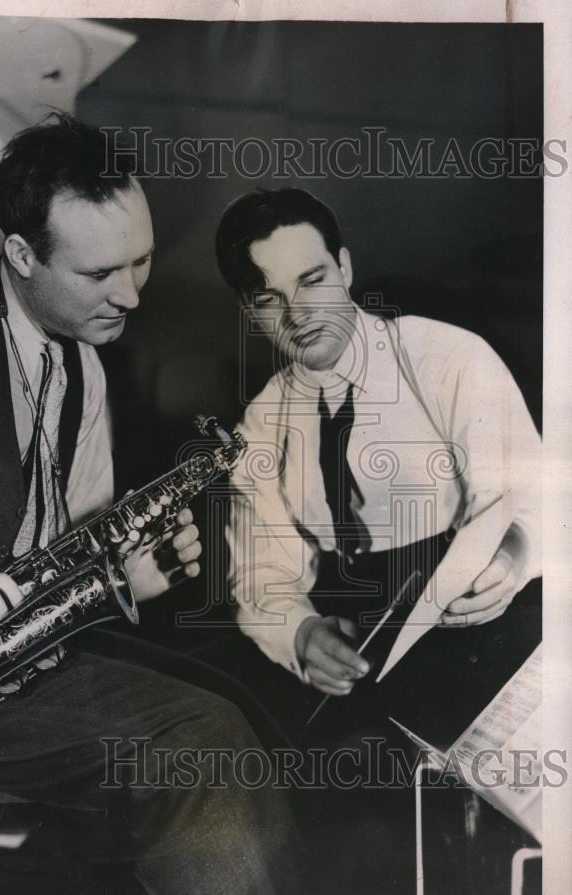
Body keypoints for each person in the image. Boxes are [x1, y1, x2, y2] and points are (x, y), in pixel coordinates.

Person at [0, 116, 306, 895]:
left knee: (247, 693)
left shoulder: (83, 368)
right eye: (99, 273)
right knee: (200, 740)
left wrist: (127, 580)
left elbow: (54, 564)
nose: (131, 295)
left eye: (141, 261)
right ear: (22, 255)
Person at [215, 188, 541, 744]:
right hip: (357, 639)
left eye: (313, 280)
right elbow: (260, 570)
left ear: (344, 268)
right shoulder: (262, 422)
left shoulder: (447, 356)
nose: (299, 314)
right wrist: (300, 633)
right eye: (270, 298)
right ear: (250, 310)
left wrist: (513, 555)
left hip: (480, 612)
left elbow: (538, 496)